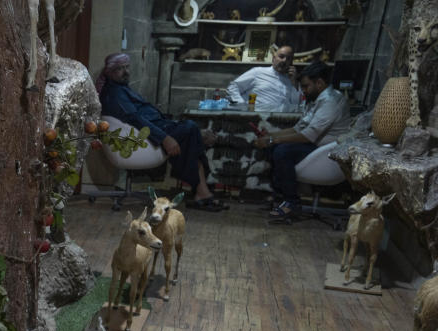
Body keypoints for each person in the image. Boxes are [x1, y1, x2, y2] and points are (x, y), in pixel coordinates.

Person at [96, 52, 227, 211]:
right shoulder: (114, 93)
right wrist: (165, 138)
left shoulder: (121, 87)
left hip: (157, 127)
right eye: (119, 69)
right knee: (191, 130)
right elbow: (136, 120)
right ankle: (202, 193)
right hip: (146, 138)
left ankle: (202, 192)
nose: (126, 72)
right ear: (109, 72)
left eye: (127, 67)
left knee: (191, 134)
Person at [253, 61, 350, 219]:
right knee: (273, 148)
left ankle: (292, 203)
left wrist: (273, 140)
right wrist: (271, 135)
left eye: (306, 86)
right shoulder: (316, 100)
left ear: (319, 83)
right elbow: (299, 128)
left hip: (326, 154)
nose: (303, 91)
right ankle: (281, 197)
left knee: (282, 151)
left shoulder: (331, 102)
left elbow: (308, 135)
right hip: (314, 146)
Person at [226, 45, 299, 112]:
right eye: (281, 56)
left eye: (288, 59)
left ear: (291, 63)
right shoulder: (258, 72)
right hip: (255, 117)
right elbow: (233, 87)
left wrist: (294, 83)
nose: (284, 60)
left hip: (280, 120)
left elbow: (297, 105)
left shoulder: (292, 81)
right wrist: (242, 106)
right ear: (274, 58)